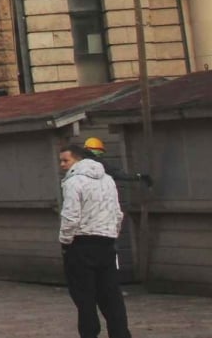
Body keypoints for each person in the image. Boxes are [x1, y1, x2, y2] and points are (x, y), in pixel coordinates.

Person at [59, 143, 132, 338]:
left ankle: (89, 335)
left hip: (81, 244)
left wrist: (65, 242)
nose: (62, 165)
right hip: (107, 243)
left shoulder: (73, 182)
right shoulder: (108, 180)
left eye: (66, 160)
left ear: (78, 160)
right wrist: (112, 234)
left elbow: (70, 217)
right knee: (112, 297)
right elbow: (117, 213)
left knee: (85, 300)